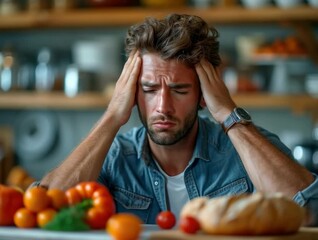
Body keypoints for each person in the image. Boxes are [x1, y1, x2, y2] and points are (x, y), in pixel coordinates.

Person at [39, 13, 318, 225]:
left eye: (180, 90)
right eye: (148, 89)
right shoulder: (116, 156)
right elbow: (44, 209)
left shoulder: (243, 149)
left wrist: (227, 114)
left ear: (203, 93)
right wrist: (113, 116)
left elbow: (308, 210)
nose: (163, 106)